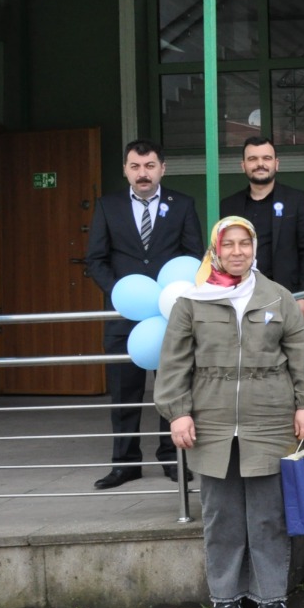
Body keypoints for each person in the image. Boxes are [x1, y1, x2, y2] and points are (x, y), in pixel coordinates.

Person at [157, 216, 304, 608]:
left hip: (268, 419)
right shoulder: (191, 301)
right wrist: (178, 412)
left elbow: (300, 355)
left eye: (244, 244)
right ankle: (226, 598)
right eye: (228, 244)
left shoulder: (277, 297)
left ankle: (270, 596)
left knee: (268, 515)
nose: (237, 252)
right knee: (221, 516)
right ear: (215, 250)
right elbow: (174, 364)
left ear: (254, 248)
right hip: (211, 423)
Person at [85, 138, 204, 489]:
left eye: (150, 166)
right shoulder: (107, 206)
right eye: (135, 166)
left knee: (173, 388)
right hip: (124, 316)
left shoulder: (182, 205)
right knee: (124, 392)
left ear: (162, 169)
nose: (143, 173)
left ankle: (172, 457)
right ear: (125, 169)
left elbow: (194, 256)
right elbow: (96, 260)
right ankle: (125, 463)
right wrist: (122, 295)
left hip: (171, 317)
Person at [219, 135, 304, 322]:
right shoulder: (228, 206)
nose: (260, 164)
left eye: (266, 158)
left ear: (276, 163)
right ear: (243, 165)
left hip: (287, 299)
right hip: (239, 299)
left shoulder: (298, 201)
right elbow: (219, 254)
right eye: (253, 159)